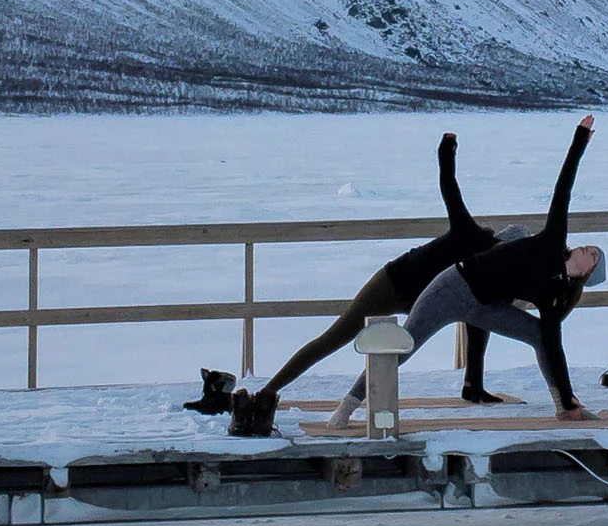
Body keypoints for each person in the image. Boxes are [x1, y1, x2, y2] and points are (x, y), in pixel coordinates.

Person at [213, 132, 506, 437]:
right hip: (393, 283)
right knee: (333, 338)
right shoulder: (469, 232)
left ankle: (470, 386)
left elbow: (478, 327)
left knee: (450, 323)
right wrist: (447, 149)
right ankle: (266, 395)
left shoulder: (487, 276)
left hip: (422, 298)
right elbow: (449, 185)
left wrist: (475, 386)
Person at [329, 115, 607, 426]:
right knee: (406, 344)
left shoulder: (553, 295)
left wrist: (568, 395)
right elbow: (563, 187)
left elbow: (554, 345)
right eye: (591, 247)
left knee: (541, 337)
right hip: (452, 287)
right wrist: (580, 139)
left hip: (484, 306)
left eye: (594, 256)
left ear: (586, 275)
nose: (588, 249)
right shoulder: (553, 240)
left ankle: (564, 407)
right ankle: (347, 406)